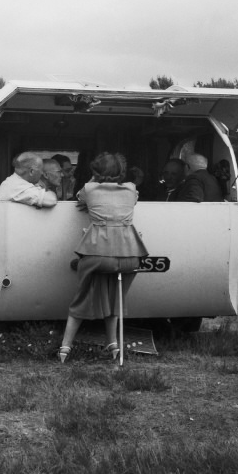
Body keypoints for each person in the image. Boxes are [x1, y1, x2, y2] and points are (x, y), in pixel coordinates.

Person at [58, 152, 148, 363]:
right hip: (130, 254)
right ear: (122, 173)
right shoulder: (131, 189)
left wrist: (92, 180)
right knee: (115, 298)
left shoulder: (90, 189)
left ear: (94, 171)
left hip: (98, 252)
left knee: (81, 299)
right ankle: (113, 344)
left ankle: (65, 347)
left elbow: (79, 200)